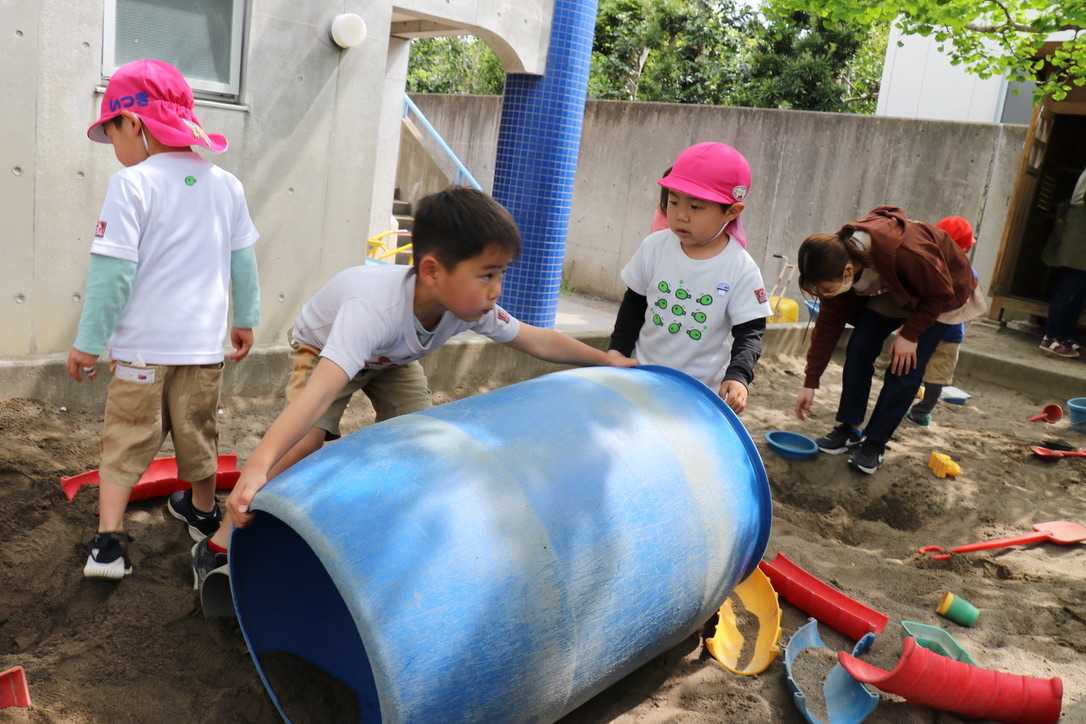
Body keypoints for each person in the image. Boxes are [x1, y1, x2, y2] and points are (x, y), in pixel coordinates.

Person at [191, 187, 637, 585]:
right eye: (487, 274)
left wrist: (605, 359)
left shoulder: (470, 308)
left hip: (392, 360)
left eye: (501, 274)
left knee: (420, 440)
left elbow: (534, 338)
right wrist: (258, 464)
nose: (497, 290)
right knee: (305, 440)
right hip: (326, 348)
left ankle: (396, 533)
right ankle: (220, 541)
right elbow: (320, 392)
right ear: (432, 271)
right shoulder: (373, 309)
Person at [67, 59, 261, 579]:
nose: (114, 146)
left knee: (127, 437)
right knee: (198, 432)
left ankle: (108, 544)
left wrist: (88, 342)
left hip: (141, 351)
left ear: (133, 123)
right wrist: (246, 319)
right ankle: (201, 510)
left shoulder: (132, 184)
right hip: (202, 349)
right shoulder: (227, 185)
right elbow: (243, 261)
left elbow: (113, 275)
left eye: (112, 134)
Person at [794, 206, 984, 474]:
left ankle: (875, 443)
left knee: (905, 366)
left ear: (848, 271)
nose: (823, 294)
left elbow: (940, 293)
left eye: (825, 288)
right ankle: (848, 428)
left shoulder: (905, 252)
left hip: (942, 291)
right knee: (860, 346)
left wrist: (910, 334)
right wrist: (810, 381)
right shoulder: (834, 260)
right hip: (896, 286)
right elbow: (827, 327)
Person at [608, 142, 771, 414]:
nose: (681, 215)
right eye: (673, 202)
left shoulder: (740, 268)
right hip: (643, 379)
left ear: (732, 211)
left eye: (695, 206)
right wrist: (618, 350)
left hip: (699, 395)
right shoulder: (654, 247)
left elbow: (750, 332)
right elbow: (633, 304)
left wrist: (738, 375)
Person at [908, 216, 976, 426]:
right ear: (966, 248)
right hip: (951, 334)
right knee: (937, 377)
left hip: (922, 328)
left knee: (912, 369)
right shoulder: (968, 272)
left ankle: (901, 404)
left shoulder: (928, 266)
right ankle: (922, 412)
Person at [1040, 166, 1086, 358]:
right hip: (1079, 239)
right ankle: (1050, 337)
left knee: (1079, 293)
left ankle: (1067, 336)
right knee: (1068, 288)